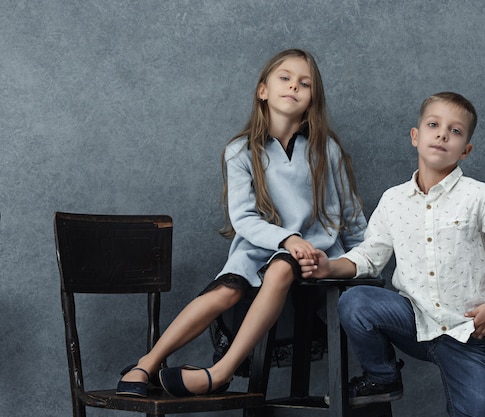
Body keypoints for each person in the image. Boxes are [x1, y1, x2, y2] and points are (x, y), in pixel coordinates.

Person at [116, 48, 367, 397]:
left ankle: (221, 372)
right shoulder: (240, 151)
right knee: (226, 290)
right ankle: (147, 362)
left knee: (281, 269)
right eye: (285, 78)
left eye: (304, 83)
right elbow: (244, 218)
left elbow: (353, 217)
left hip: (315, 251)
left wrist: (364, 264)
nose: (294, 86)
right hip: (257, 247)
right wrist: (286, 239)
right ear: (262, 90)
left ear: (312, 101)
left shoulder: (327, 150)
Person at [299, 92, 485, 416]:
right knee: (356, 302)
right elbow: (369, 256)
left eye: (455, 131)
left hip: (467, 332)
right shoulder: (394, 200)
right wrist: (329, 267)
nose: (442, 134)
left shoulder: (478, 196)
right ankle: (382, 376)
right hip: (412, 321)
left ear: (465, 150)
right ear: (416, 136)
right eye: (433, 124)